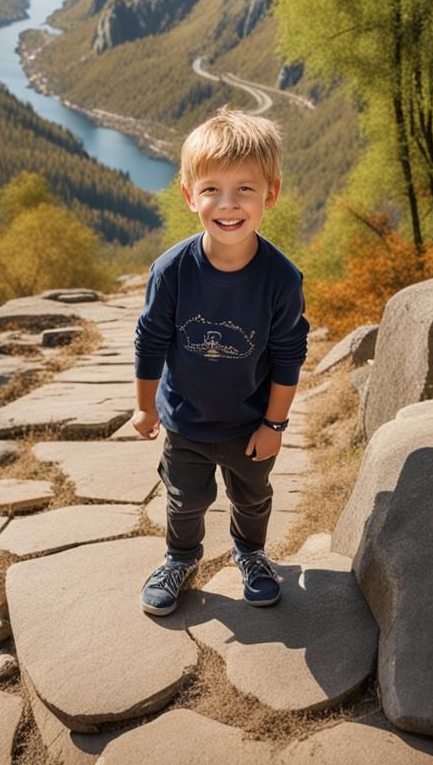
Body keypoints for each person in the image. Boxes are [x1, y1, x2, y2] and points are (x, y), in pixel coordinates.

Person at [132, 107, 309, 616]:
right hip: (185, 420)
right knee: (185, 499)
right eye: (211, 189)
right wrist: (145, 408)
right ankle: (180, 558)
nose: (227, 205)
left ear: (270, 194)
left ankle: (251, 554)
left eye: (245, 190)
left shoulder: (280, 279)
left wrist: (275, 422)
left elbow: (287, 353)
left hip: (250, 423)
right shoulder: (172, 272)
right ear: (190, 196)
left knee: (252, 499)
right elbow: (149, 340)